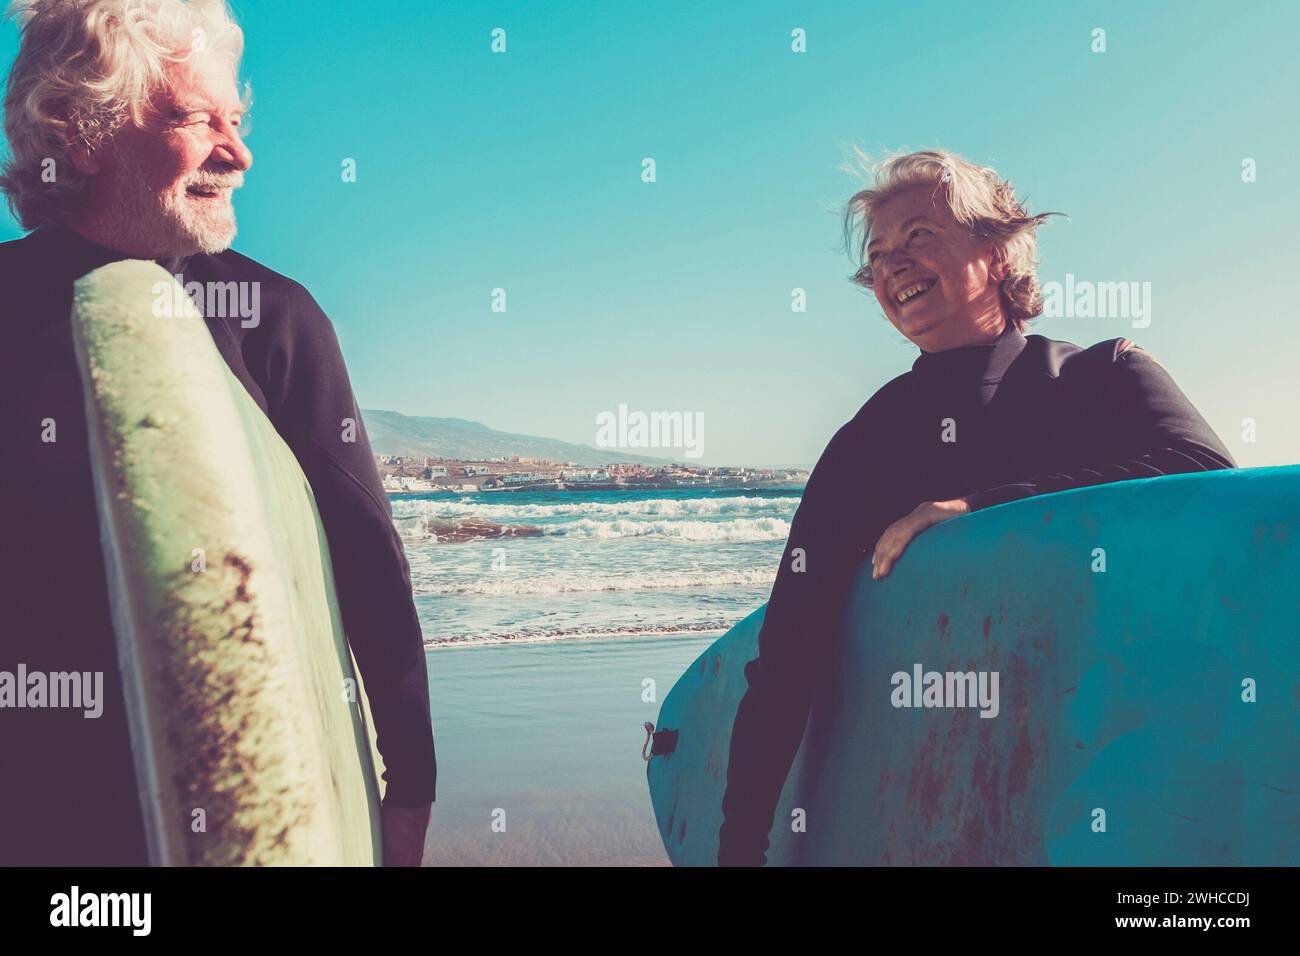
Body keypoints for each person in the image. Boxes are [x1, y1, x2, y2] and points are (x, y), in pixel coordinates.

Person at [0, 0, 434, 865]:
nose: (238, 153)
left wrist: (406, 789)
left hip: (226, 808)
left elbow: (368, 569)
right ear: (80, 133)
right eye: (197, 119)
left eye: (235, 119)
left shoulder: (275, 320)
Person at [717, 148, 1236, 866]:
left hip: (1125, 772)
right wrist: (738, 850)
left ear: (996, 253)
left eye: (918, 236)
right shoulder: (868, 442)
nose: (892, 265)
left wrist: (986, 514)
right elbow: (787, 663)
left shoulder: (1105, 376)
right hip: (956, 803)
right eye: (878, 257)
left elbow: (1204, 479)